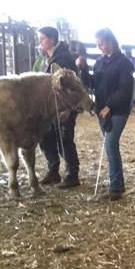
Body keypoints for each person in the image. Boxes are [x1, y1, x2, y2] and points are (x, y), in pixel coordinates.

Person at [76, 28, 134, 201]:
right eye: (97, 44)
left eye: (101, 43)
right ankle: (116, 183)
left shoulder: (124, 63)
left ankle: (116, 187)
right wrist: (83, 69)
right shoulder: (100, 62)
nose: (99, 47)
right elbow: (93, 84)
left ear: (110, 41)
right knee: (110, 146)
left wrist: (110, 105)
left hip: (118, 110)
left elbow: (125, 89)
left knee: (110, 144)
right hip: (102, 109)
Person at [36, 26, 81, 188]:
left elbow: (72, 86)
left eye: (43, 38)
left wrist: (69, 109)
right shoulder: (44, 60)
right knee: (46, 137)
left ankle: (72, 174)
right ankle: (53, 169)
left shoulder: (64, 59)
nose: (40, 42)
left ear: (52, 39)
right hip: (48, 107)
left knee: (64, 139)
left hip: (63, 106)